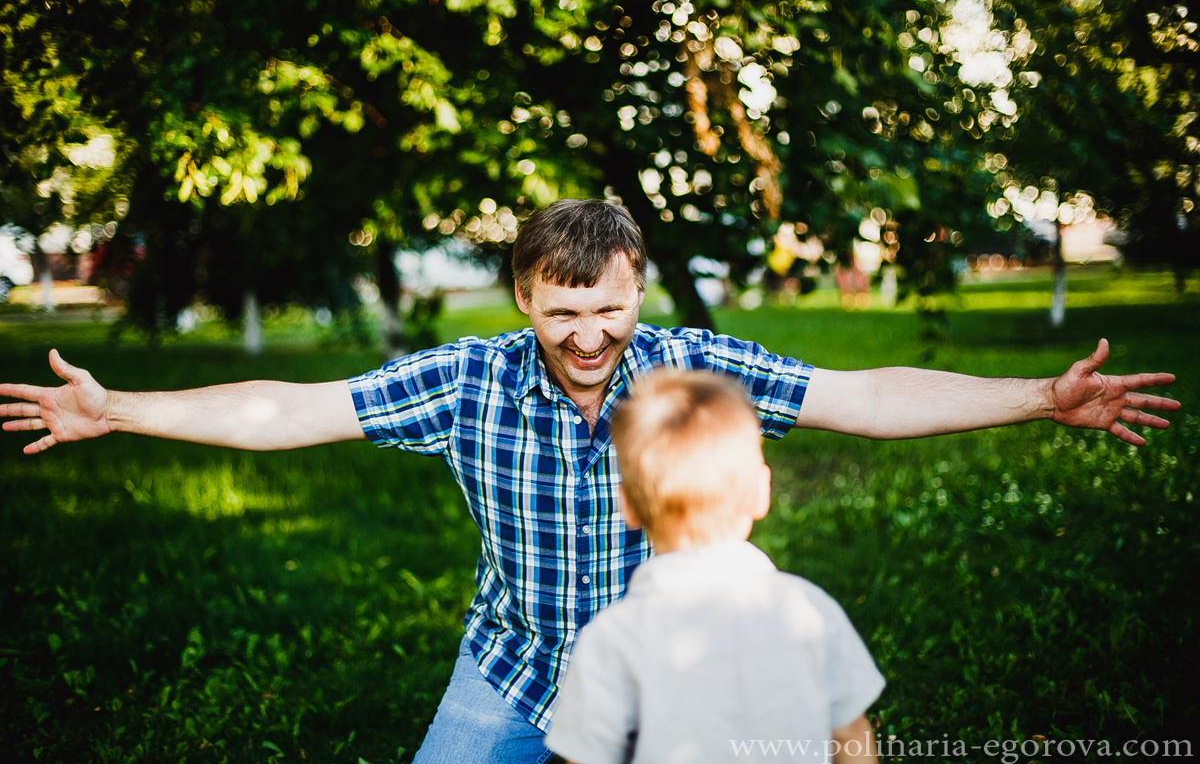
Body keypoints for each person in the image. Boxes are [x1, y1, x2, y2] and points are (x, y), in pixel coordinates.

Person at [0, 199, 1181, 763]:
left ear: (637, 288)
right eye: (564, 312)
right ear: (524, 298)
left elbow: (856, 394)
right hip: (515, 662)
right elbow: (291, 409)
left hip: (680, 674)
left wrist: (1036, 395)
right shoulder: (468, 378)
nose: (590, 334)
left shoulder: (687, 361)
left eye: (610, 307)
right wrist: (122, 409)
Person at [544, 368, 884, 764]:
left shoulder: (613, 638)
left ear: (630, 507)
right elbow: (852, 737)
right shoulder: (810, 612)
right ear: (760, 492)